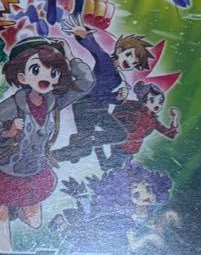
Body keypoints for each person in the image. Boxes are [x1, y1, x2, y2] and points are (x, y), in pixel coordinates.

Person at [0, 38, 93, 251]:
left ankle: (16, 209)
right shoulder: (14, 103)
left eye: (53, 72)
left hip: (33, 168)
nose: (45, 77)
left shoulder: (54, 102)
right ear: (22, 76)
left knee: (35, 223)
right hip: (4, 165)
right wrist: (7, 132)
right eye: (36, 69)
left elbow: (85, 83)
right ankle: (3, 236)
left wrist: (70, 56)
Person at [58, 19, 155, 168]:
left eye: (134, 63)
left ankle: (67, 149)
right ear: (119, 51)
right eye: (129, 55)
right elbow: (96, 50)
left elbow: (104, 95)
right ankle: (70, 146)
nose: (130, 62)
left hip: (97, 107)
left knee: (89, 147)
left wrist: (117, 98)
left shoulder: (117, 78)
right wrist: (84, 36)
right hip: (86, 105)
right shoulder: (105, 61)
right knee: (113, 136)